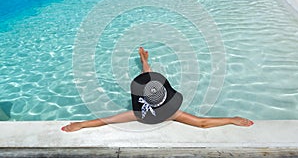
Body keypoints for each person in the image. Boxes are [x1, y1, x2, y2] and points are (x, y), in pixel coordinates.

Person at [61, 47, 254, 132]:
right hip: (161, 105)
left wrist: (82, 124)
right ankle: (144, 60)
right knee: (150, 79)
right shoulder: (173, 112)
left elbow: (106, 120)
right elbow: (202, 123)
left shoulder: (136, 114)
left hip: (145, 110)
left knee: (148, 80)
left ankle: (144, 60)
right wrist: (231, 119)